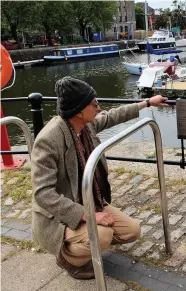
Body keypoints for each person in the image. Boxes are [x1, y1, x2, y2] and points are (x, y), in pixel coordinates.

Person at [31, 76, 168, 280]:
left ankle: (86, 239)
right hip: (60, 217)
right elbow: (43, 194)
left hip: (91, 201)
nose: (98, 107)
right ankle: (67, 257)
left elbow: (113, 116)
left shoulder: (85, 126)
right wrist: (88, 216)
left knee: (132, 231)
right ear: (78, 110)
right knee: (103, 236)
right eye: (94, 103)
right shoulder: (49, 140)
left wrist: (148, 103)